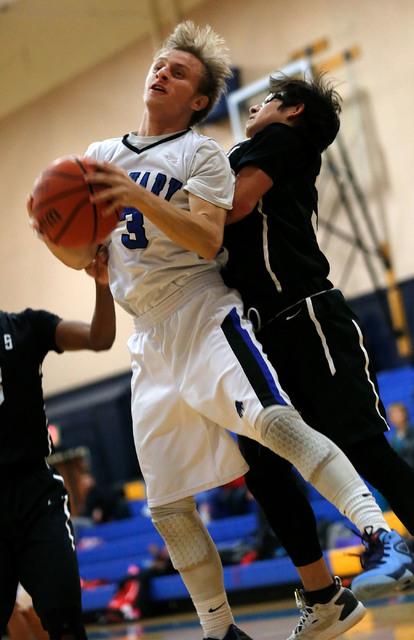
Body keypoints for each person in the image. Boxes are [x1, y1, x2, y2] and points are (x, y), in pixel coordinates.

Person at [31, 21, 412, 640]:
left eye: (179, 72)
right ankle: (266, 615)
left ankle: (379, 537)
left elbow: (213, 230)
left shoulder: (229, 151)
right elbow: (89, 252)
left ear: (203, 100)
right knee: (210, 486)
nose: (161, 73)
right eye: (159, 64)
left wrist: (137, 195)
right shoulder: (103, 155)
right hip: (155, 335)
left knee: (326, 435)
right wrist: (58, 236)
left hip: (254, 310)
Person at [222, 72, 414, 634]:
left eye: (264, 100)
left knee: (365, 448)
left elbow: (230, 209)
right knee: (264, 470)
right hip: (263, 336)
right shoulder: (256, 146)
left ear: (293, 109)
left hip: (307, 316)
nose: (254, 106)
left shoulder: (285, 140)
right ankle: (322, 595)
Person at [0, 246, 115, 640]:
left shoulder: (26, 328)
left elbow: (100, 338)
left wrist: (102, 283)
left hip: (36, 497)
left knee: (66, 625)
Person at [388, 401, 414, 469]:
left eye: (397, 413)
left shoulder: (412, 431)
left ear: (404, 414)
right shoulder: (393, 437)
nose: (394, 417)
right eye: (392, 414)